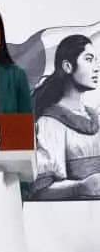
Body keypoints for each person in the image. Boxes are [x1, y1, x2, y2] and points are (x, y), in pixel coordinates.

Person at [28, 34, 100, 200]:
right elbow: (41, 190)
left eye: (96, 60)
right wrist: (80, 187)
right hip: (71, 213)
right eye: (89, 59)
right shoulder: (50, 123)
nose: (96, 68)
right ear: (68, 66)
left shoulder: (95, 117)